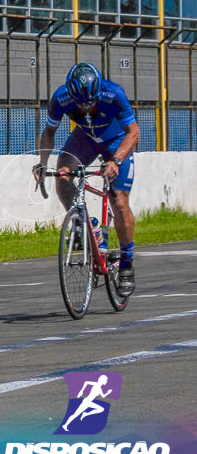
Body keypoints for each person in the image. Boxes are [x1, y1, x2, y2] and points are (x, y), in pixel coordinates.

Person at [33, 62, 140, 295]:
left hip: (116, 141)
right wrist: (42, 164)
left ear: (98, 92)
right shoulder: (60, 98)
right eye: (80, 103)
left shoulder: (114, 94)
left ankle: (126, 261)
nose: (86, 106)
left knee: (119, 200)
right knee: (62, 173)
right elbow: (49, 132)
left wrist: (116, 161)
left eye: (90, 102)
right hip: (86, 139)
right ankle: (86, 225)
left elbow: (134, 132)